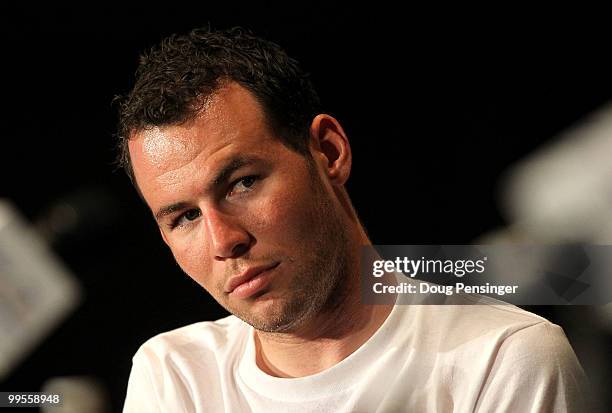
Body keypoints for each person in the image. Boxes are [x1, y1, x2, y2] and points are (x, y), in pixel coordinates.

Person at [118, 27, 590, 412]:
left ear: (329, 152)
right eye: (184, 217)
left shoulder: (501, 360)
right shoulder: (173, 377)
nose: (224, 240)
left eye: (242, 183)